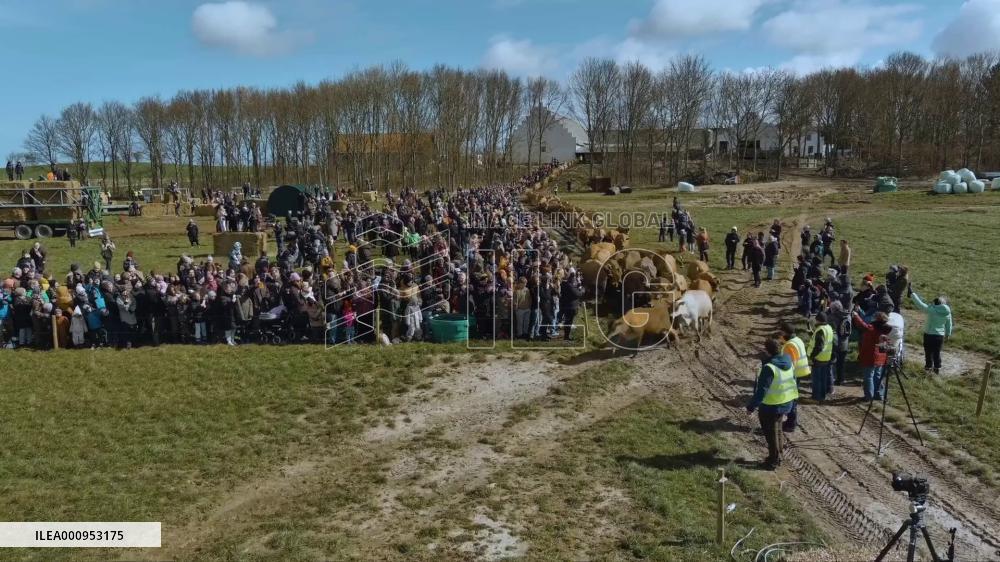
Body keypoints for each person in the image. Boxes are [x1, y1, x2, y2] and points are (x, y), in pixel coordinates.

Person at [746, 338, 797, 470]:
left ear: (767, 351)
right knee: (778, 430)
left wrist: (751, 406)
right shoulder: (788, 361)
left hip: (771, 406)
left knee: (771, 434)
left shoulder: (769, 368)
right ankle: (777, 456)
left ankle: (773, 461)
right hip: (786, 401)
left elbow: (762, 390)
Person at [909, 288, 953, 375]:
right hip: (939, 336)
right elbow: (949, 324)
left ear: (936, 303)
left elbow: (920, 304)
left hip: (928, 334)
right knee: (937, 352)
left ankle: (928, 367)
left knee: (928, 352)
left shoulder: (931, 310)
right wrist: (948, 334)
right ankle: (937, 368)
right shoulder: (948, 313)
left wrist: (912, 294)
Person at [853, 310, 892, 401]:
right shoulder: (885, 329)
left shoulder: (872, 328)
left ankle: (869, 396)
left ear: (876, 319)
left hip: (870, 356)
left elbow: (863, 325)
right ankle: (879, 395)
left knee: (868, 377)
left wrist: (856, 315)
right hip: (881, 356)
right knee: (878, 376)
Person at [807, 312, 834, 401]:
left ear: (818, 320)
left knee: (817, 379)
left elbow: (819, 346)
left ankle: (816, 397)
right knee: (823, 378)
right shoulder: (829, 328)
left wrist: (812, 356)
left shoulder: (821, 330)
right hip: (826, 357)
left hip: (818, 357)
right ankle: (822, 396)